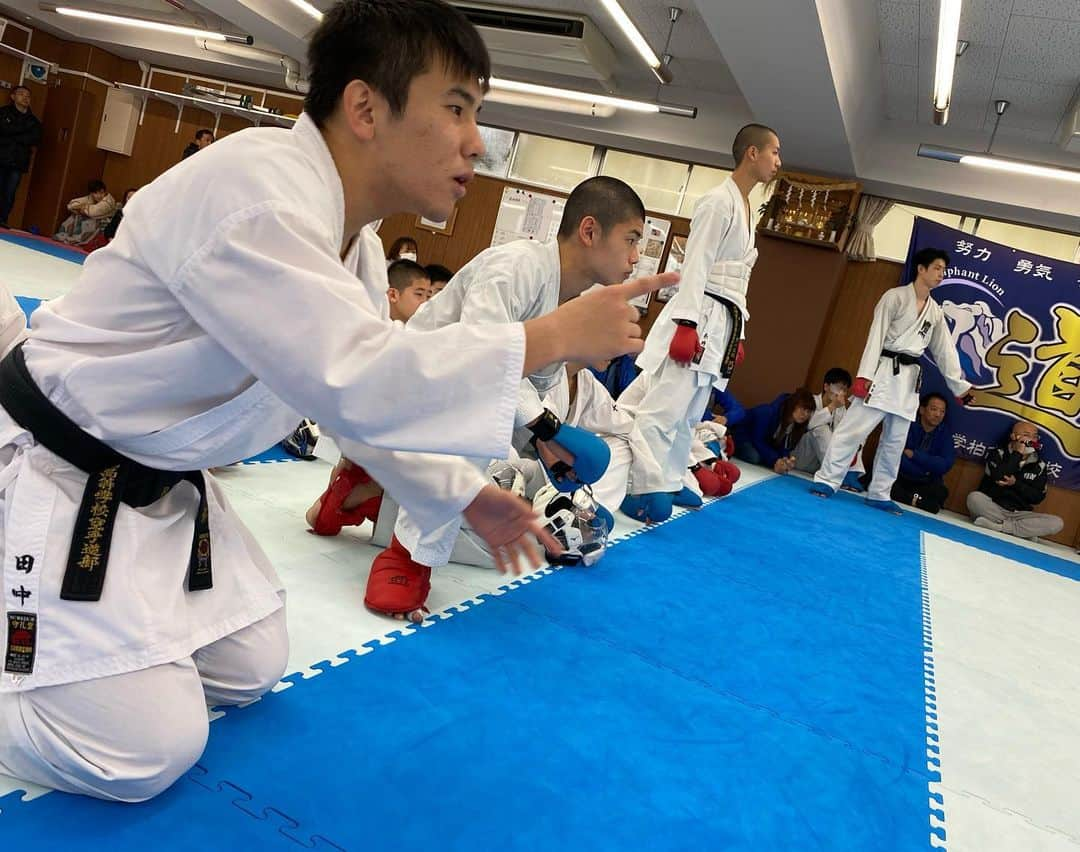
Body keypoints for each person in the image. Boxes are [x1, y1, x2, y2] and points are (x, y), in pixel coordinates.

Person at [0, 0, 673, 804]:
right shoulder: (258, 194)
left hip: (155, 486)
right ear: (365, 108)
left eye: (478, 114)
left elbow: (355, 401)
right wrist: (552, 338)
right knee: (142, 752)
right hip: (61, 472)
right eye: (456, 108)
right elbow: (356, 373)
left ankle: (99, 657)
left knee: (250, 666)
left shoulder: (350, 237)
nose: (476, 142)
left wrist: (469, 496)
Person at [362, 175, 653, 621]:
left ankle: (362, 492)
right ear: (590, 231)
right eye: (631, 240)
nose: (636, 258)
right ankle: (406, 558)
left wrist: (545, 442)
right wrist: (545, 429)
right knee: (477, 426)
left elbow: (534, 381)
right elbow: (483, 359)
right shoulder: (515, 267)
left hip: (442, 414)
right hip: (403, 392)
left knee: (503, 541)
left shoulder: (573, 298)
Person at [622, 124, 781, 501]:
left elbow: (737, 281)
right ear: (752, 153)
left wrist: (737, 336)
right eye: (774, 152)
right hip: (700, 314)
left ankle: (672, 479)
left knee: (690, 413)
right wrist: (686, 324)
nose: (779, 161)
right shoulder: (717, 201)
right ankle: (639, 483)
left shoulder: (745, 209)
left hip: (723, 319)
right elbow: (696, 264)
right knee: (663, 409)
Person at [810, 247, 973, 513]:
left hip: (909, 381)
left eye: (944, 270)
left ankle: (880, 492)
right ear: (921, 269)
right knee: (853, 430)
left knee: (895, 441)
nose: (941, 274)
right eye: (937, 268)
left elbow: (945, 350)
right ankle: (827, 480)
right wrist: (864, 376)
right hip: (883, 371)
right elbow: (876, 336)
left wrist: (960, 387)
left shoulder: (935, 312)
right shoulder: (895, 297)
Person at [967, 421, 1064, 540]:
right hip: (994, 506)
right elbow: (1001, 477)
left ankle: (999, 527)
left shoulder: (1039, 464)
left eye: (1035, 436)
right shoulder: (998, 453)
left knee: (1057, 523)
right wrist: (1017, 453)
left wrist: (1016, 484)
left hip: (1021, 514)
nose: (1032, 440)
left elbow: (1038, 497)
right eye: (1026, 435)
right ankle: (1021, 530)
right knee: (974, 498)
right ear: (1013, 436)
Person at [794, 367, 865, 491]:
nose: (841, 393)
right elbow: (809, 424)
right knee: (821, 429)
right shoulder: (811, 401)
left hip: (821, 462)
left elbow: (846, 434)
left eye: (845, 389)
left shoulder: (841, 409)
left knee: (854, 434)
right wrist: (832, 406)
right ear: (826, 386)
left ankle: (851, 475)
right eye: (838, 388)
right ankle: (837, 473)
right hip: (802, 457)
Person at [890, 393, 955, 513]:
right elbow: (897, 455)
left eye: (942, 411)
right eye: (934, 409)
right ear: (922, 409)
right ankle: (917, 501)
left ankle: (907, 498)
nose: (938, 415)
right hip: (901, 475)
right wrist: (927, 468)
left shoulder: (945, 434)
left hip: (926, 481)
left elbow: (945, 465)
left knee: (941, 492)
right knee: (883, 478)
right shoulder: (907, 425)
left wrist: (916, 456)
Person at [732, 388, 816, 474]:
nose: (805, 414)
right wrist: (775, 460)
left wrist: (785, 460)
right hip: (742, 435)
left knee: (768, 457)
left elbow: (784, 446)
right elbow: (758, 439)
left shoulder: (794, 425)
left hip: (762, 442)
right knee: (754, 457)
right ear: (793, 405)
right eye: (802, 409)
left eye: (808, 411)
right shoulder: (768, 412)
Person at [0, 85, 42, 228]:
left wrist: (12, 134)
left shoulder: (33, 121)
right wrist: (19, 134)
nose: (25, 98)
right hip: (1, 156)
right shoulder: (3, 113)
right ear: (13, 97)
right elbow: (3, 130)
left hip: (18, 161)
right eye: (21, 94)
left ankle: (3, 219)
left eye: (28, 96)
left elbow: (34, 139)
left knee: (10, 192)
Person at [54, 180, 118, 246]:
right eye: (95, 193)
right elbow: (71, 205)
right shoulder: (91, 198)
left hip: (104, 222)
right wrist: (83, 209)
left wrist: (83, 208)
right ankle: (64, 234)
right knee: (75, 216)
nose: (99, 195)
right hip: (92, 217)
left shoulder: (109, 201)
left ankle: (76, 239)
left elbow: (93, 212)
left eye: (101, 193)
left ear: (105, 192)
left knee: (89, 221)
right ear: (91, 193)